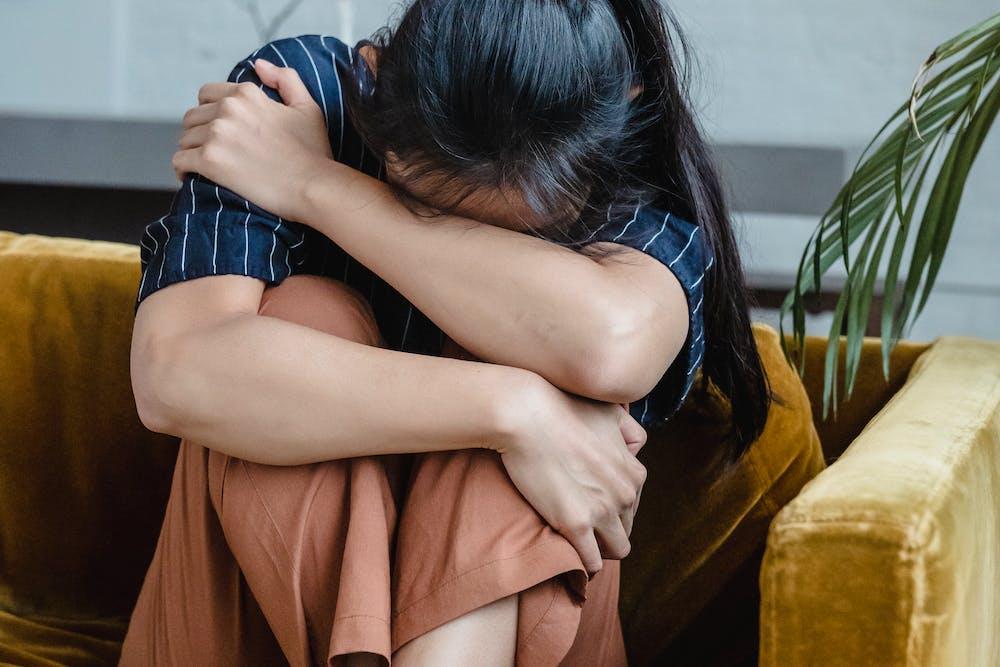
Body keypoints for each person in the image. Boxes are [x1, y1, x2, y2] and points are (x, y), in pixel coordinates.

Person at [120, 1, 770, 665]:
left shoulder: (626, 190)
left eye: (518, 230)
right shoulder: (299, 97)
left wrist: (313, 184)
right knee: (309, 314)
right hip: (239, 632)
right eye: (423, 197)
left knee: (546, 364)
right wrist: (511, 411)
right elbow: (175, 372)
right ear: (374, 78)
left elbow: (605, 345)